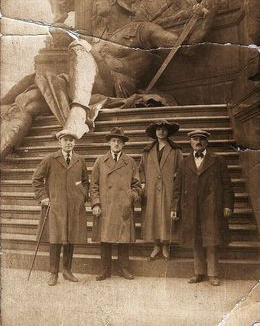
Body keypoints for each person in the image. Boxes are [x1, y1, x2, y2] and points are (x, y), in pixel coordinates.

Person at [0, 0, 226, 159]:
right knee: (25, 100)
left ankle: (78, 114)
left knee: (80, 46)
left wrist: (210, 13)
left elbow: (187, 48)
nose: (96, 3)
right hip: (85, 89)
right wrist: (60, 14)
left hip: (116, 88)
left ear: (112, 1)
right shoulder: (101, 35)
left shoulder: (143, 30)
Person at [171, 129, 234, 286]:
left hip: (211, 208)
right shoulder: (184, 163)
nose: (198, 142)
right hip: (191, 208)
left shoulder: (217, 160)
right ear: (190, 142)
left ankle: (213, 274)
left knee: (211, 240)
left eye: (201, 139)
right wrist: (174, 207)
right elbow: (177, 188)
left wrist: (228, 205)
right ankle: (198, 272)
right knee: (196, 240)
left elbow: (227, 186)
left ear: (207, 142)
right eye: (195, 139)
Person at [32, 131, 89, 286]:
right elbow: (36, 179)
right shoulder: (51, 159)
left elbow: (85, 181)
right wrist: (43, 197)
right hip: (56, 206)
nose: (69, 143)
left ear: (75, 143)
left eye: (71, 140)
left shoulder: (80, 160)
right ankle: (53, 273)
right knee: (55, 240)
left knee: (71, 239)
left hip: (74, 207)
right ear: (60, 142)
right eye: (65, 140)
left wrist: (82, 196)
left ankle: (67, 270)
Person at [90, 127, 142, 281]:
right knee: (105, 240)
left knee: (123, 240)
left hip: (123, 206)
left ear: (123, 144)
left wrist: (129, 197)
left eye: (119, 141)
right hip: (105, 207)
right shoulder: (100, 161)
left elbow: (137, 186)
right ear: (109, 143)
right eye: (114, 140)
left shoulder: (130, 162)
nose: (116, 143)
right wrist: (96, 204)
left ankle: (123, 269)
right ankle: (105, 270)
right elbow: (93, 185)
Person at [139, 120, 183, 261]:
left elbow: (181, 169)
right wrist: (144, 183)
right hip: (151, 189)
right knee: (153, 216)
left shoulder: (176, 150)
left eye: (164, 129)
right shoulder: (147, 150)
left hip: (168, 188)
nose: (161, 131)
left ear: (168, 132)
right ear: (155, 132)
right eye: (158, 129)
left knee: (165, 216)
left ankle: (165, 246)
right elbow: (141, 169)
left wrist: (176, 179)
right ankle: (156, 245)